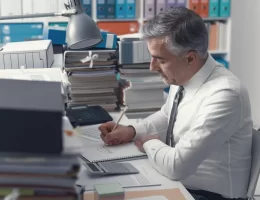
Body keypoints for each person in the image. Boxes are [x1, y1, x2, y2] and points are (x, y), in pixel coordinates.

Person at [99, 7, 252, 200]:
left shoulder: (225, 94)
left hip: (207, 196)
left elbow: (176, 166)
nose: (152, 67)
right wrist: (131, 131)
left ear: (190, 58)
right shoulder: (184, 76)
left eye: (160, 60)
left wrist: (149, 143)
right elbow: (167, 116)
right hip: (181, 186)